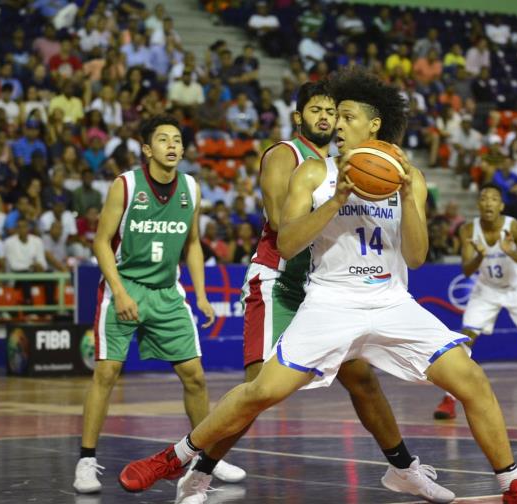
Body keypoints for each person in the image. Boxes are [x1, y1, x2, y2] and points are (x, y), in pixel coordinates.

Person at [119, 69, 517, 504]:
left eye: (346, 115)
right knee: (262, 390)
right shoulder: (314, 174)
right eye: (333, 115)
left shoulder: (406, 178)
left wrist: (411, 195)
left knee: (471, 380)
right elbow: (287, 241)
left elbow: (415, 256)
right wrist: (336, 201)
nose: (336, 123)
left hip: (391, 301)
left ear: (373, 125)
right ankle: (173, 458)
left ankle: (514, 488)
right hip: (331, 302)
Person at [166, 80, 455, 504]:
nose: (327, 118)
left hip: (327, 286)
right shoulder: (288, 156)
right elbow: (282, 223)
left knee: (364, 382)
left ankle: (404, 470)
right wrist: (341, 195)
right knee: (258, 390)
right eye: (318, 110)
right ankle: (198, 475)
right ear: (299, 116)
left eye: (333, 112)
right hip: (281, 280)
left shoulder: (347, 161)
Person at [73, 115, 245, 494]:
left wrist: (200, 292)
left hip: (168, 292)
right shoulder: (127, 185)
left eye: (177, 140)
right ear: (147, 149)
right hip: (126, 285)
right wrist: (118, 291)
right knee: (106, 373)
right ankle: (85, 461)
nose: (172, 145)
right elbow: (101, 242)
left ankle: (206, 458)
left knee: (195, 376)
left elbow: (193, 243)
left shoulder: (192, 188)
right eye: (163, 140)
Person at [433, 185, 517, 422]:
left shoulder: (516, 227)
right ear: (479, 205)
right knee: (465, 340)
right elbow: (467, 270)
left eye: (494, 199)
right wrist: (480, 255)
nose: (488, 203)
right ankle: (449, 399)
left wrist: (509, 251)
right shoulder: (469, 230)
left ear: (501, 206)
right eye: (484, 198)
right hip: (487, 288)